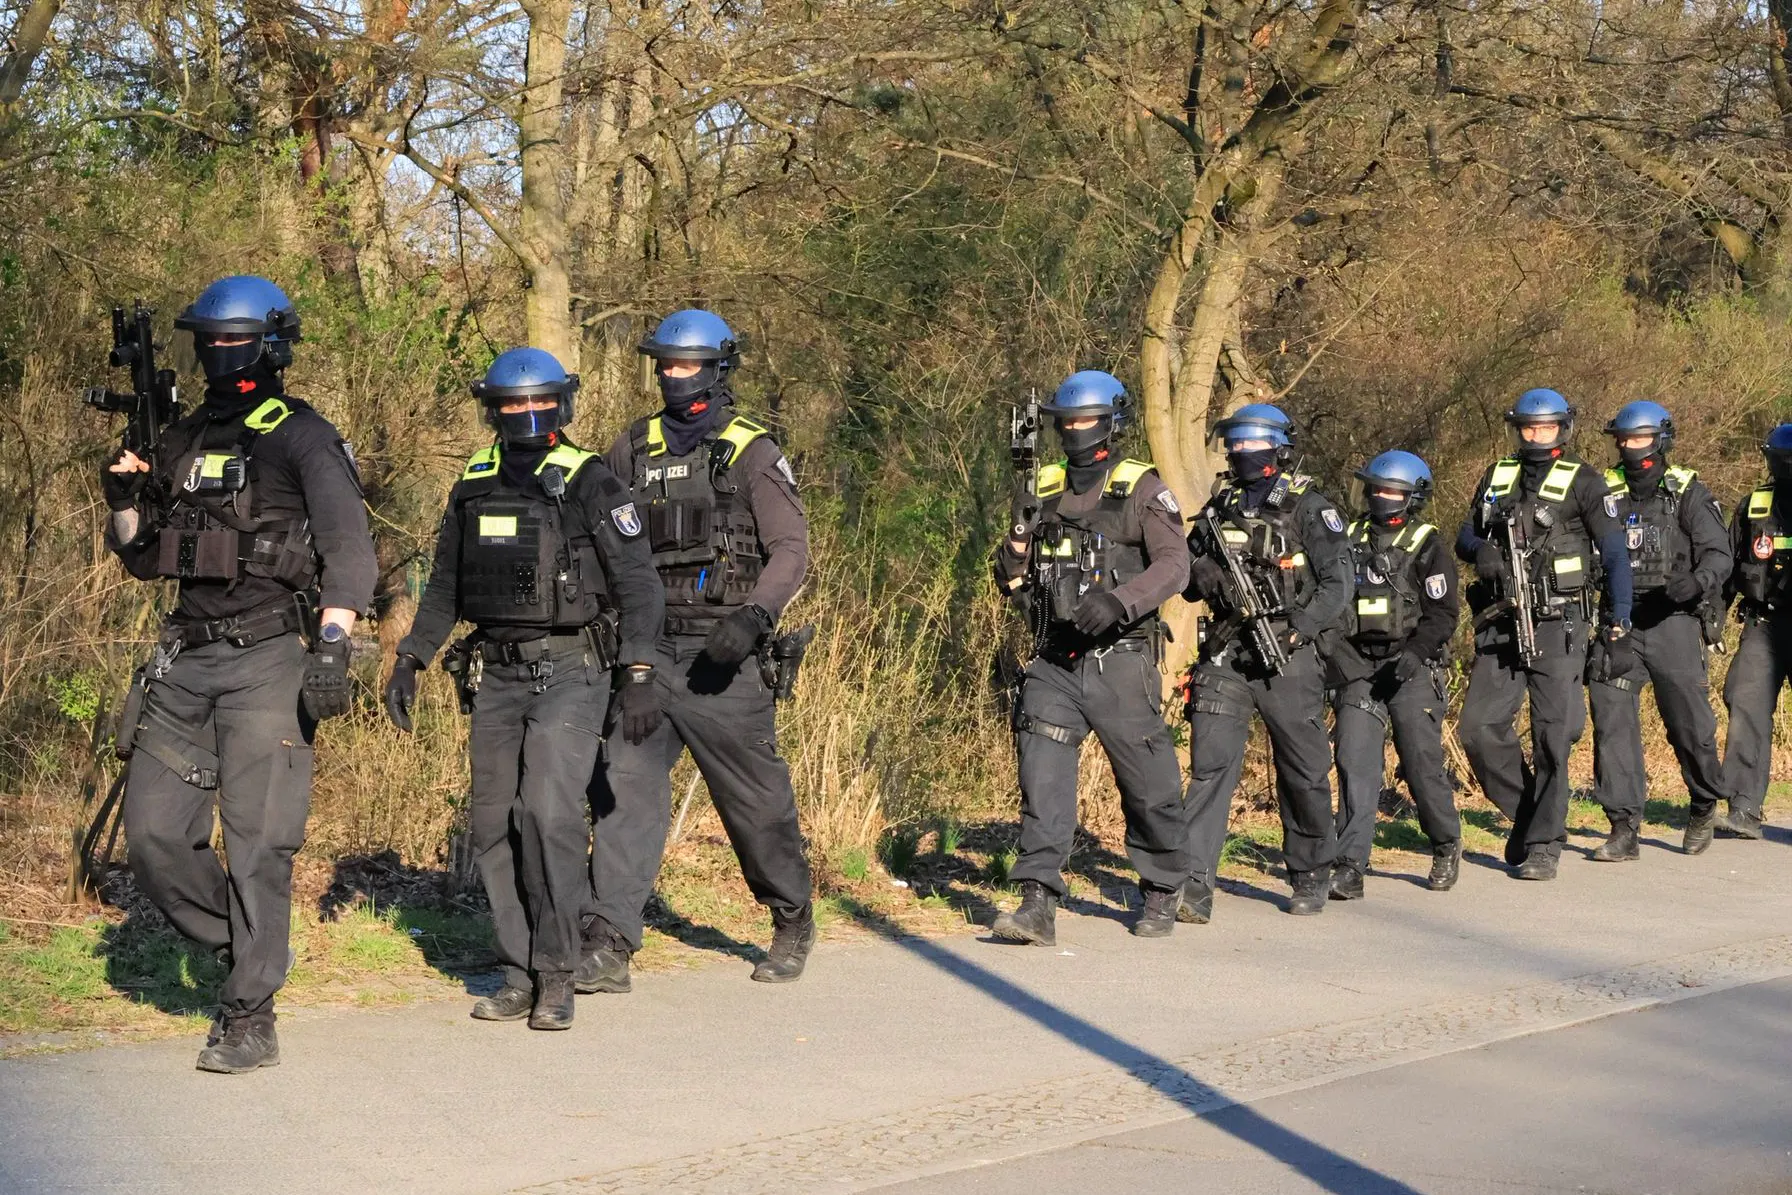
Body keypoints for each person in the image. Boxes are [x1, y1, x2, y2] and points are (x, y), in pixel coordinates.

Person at [101, 275, 376, 1073]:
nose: (222, 355)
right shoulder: (183, 436)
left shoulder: (304, 436)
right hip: (188, 657)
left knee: (259, 842)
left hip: (268, 660)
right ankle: (246, 942)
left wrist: (334, 643)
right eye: (210, 342)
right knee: (153, 836)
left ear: (272, 344)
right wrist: (123, 497)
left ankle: (250, 1010)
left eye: (237, 341)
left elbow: (349, 550)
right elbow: (142, 554)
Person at [382, 348, 664, 1030]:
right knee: (493, 822)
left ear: (560, 406)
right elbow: (446, 584)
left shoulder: (590, 479)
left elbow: (640, 586)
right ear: (493, 411)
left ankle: (560, 971)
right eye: (510, 406)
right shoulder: (474, 482)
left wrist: (641, 672)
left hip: (572, 669)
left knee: (547, 812)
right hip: (497, 673)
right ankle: (518, 970)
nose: (523, 417)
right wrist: (411, 657)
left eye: (535, 404)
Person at [584, 309, 816, 987]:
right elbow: (598, 538)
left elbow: (792, 551)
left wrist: (753, 616)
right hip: (649, 654)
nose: (672, 376)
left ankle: (792, 915)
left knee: (755, 803)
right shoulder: (632, 447)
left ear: (717, 370)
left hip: (725, 659)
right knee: (624, 792)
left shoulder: (752, 451)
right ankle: (609, 940)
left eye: (686, 365)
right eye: (665, 365)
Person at [988, 370, 1191, 945]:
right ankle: (1037, 900)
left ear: (1109, 424)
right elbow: (1009, 579)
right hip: (1055, 660)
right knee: (1042, 776)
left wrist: (1121, 603)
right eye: (1065, 422)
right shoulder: (1044, 488)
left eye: (1084, 421)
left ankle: (1162, 884)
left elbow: (1174, 566)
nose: (1073, 431)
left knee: (1148, 784)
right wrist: (1019, 538)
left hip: (1121, 661)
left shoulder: (1142, 489)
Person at [1181, 404, 1354, 918]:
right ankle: (1192, 883)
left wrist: (1298, 629)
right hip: (1227, 655)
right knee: (1210, 767)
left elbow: (1337, 586)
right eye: (1236, 442)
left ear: (1279, 447)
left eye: (1255, 443)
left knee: (1301, 770)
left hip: (1288, 657)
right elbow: (1182, 565)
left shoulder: (1310, 507)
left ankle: (1310, 872)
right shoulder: (1219, 506)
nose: (1243, 451)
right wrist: (1200, 571)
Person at [1454, 388, 1633, 880]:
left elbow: (1615, 555)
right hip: (1501, 621)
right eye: (1529, 428)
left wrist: (1619, 622)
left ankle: (1545, 844)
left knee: (1554, 738)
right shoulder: (1499, 474)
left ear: (1563, 429)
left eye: (1546, 428)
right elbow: (1465, 534)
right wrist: (1480, 552)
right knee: (1478, 729)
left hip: (1559, 624)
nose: (1537, 436)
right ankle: (1532, 815)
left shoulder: (1586, 481)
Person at [1586, 402, 1733, 859]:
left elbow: (1719, 555)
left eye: (1641, 440)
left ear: (1661, 440)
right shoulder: (1603, 490)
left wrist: (1698, 582)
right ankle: (1623, 826)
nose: (1632, 449)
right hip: (1619, 624)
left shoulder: (1686, 491)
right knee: (1611, 723)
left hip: (1675, 621)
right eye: (1625, 440)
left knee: (1690, 725)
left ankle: (1704, 800)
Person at [1329, 451, 1463, 898]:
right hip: (1357, 667)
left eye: (1392, 491)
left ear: (1411, 498)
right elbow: (1330, 601)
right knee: (1354, 761)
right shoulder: (1346, 538)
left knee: (1421, 763)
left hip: (1411, 668)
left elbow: (1443, 614)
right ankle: (1349, 865)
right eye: (1376, 489)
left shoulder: (1428, 544)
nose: (1381, 497)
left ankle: (1445, 843)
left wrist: (1416, 653)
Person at [1718, 423, 1792, 840]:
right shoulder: (1755, 503)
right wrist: (1711, 618)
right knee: (1743, 701)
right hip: (1764, 623)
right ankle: (1743, 808)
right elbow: (1729, 567)